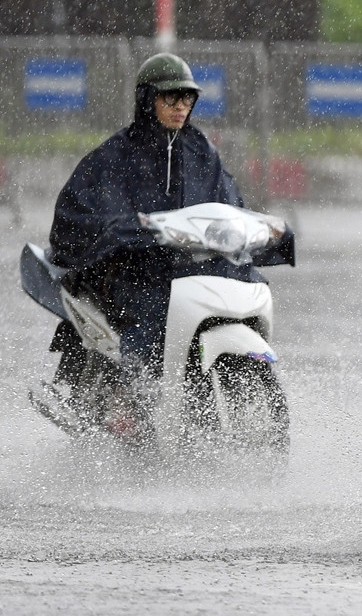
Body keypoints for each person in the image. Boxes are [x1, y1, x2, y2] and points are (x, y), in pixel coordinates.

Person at [47, 53, 255, 438]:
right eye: (170, 98)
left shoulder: (203, 153)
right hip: (134, 272)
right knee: (152, 312)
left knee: (242, 285)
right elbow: (85, 213)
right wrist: (126, 232)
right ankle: (127, 398)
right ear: (147, 100)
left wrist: (250, 233)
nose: (180, 107)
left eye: (187, 99)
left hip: (191, 269)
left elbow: (229, 203)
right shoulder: (114, 156)